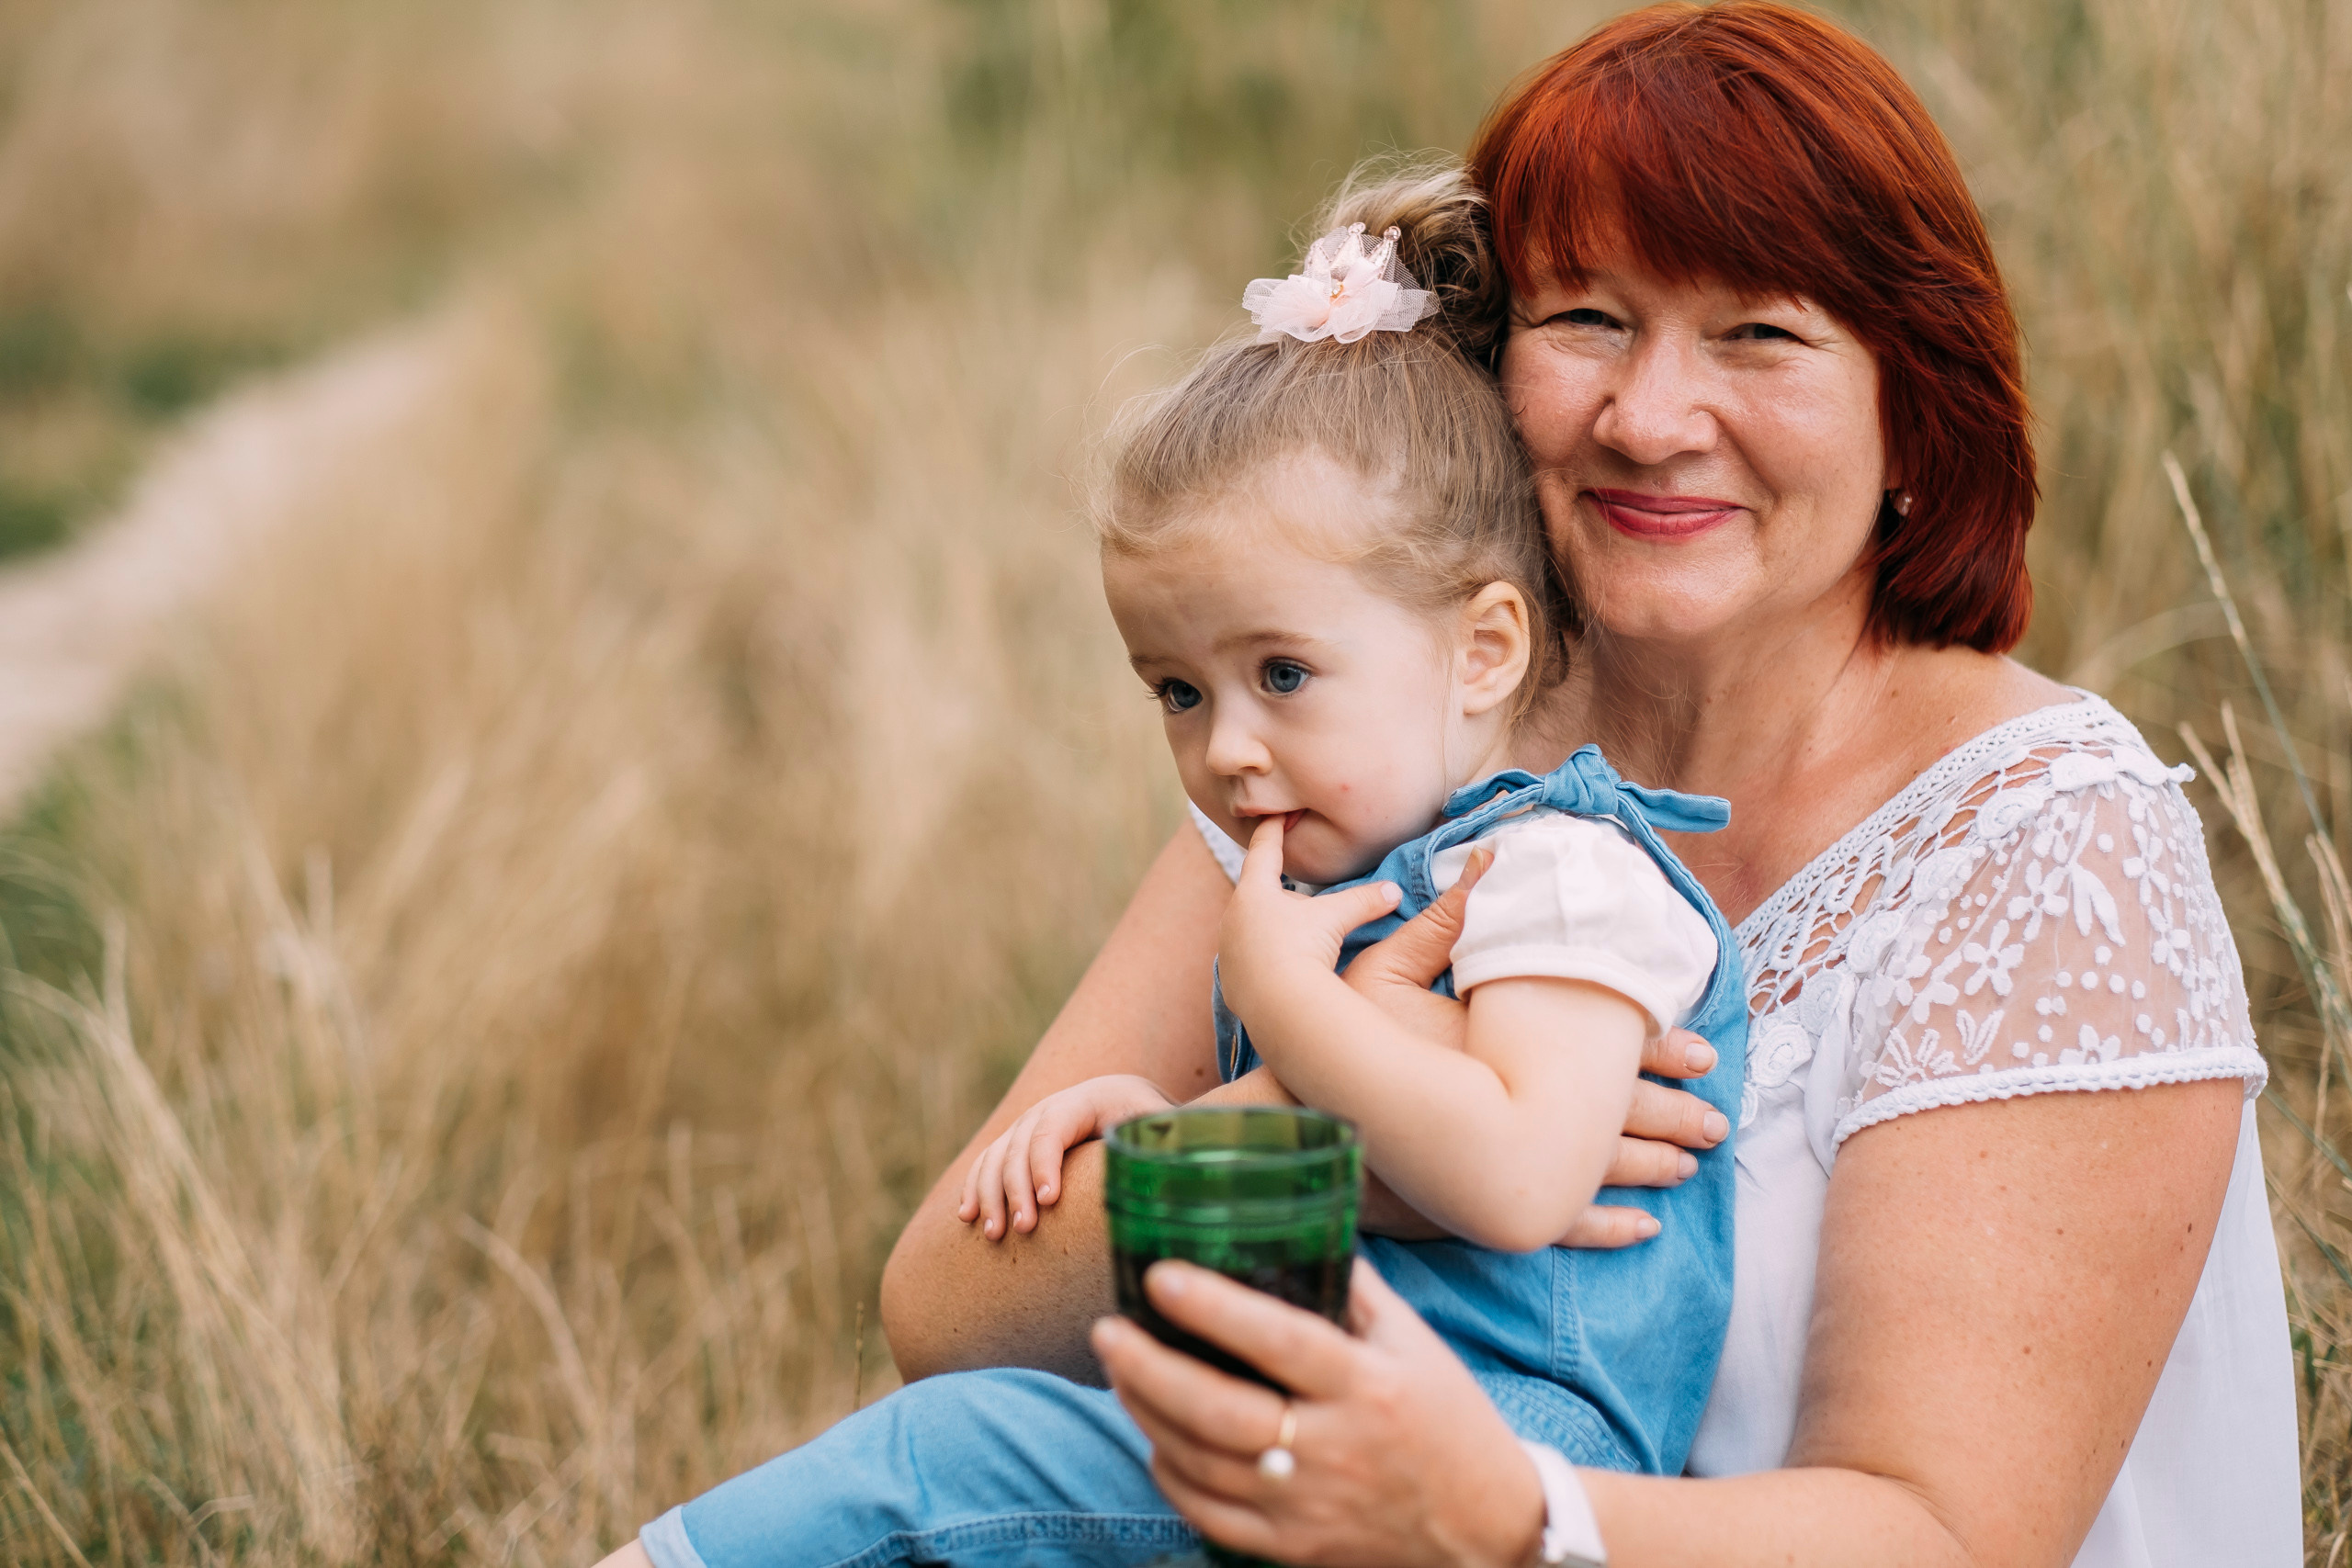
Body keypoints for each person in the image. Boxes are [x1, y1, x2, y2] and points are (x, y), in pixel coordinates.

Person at [891, 5, 2301, 1566]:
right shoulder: (1382, 750)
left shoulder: (2041, 844)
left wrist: (1505, 1517)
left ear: (1914, 409)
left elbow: (1948, 1539)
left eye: (1758, 334)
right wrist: (1339, 1121)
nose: (1650, 418)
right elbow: (947, 1312)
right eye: (1587, 321)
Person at [609, 171, 1747, 1568]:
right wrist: (1144, 1123)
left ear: (1485, 648)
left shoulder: (1565, 870)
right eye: (1177, 692)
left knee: (949, 1469)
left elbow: (1513, 1181)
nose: (1227, 750)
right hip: (1343, 1405)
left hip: (1497, 1450)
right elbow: (976, 1295)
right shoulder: (1330, 878)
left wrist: (1287, 1005)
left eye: (1282, 673)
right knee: (990, 1439)